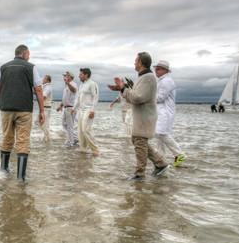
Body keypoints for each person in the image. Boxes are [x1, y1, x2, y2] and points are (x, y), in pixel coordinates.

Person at [109, 52, 169, 180]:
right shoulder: (144, 77)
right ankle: (161, 164)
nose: (134, 63)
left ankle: (139, 174)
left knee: (139, 141)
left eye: (136, 61)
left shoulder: (148, 77)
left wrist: (123, 88)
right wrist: (121, 89)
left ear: (141, 63)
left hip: (145, 116)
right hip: (142, 116)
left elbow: (138, 98)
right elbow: (135, 95)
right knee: (138, 141)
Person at [0, 44, 45, 182]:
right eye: (29, 54)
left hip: (5, 108)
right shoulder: (31, 67)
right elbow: (39, 89)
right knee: (23, 141)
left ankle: (3, 171)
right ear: (25, 53)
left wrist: (2, 102)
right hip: (24, 109)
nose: (29, 57)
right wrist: (42, 111)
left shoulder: (3, 67)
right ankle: (21, 178)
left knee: (6, 137)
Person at [154, 61, 185, 167]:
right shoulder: (162, 81)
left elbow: (160, 98)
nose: (156, 70)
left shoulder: (166, 81)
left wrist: (146, 98)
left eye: (158, 69)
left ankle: (179, 154)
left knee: (160, 133)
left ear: (165, 70)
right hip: (161, 111)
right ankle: (160, 159)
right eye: (156, 68)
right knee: (159, 135)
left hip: (165, 112)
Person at [72, 68, 99, 156]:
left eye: (81, 74)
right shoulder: (81, 85)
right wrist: (74, 108)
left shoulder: (92, 84)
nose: (79, 76)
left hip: (88, 109)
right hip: (80, 110)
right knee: (80, 130)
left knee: (85, 130)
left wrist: (92, 110)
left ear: (86, 75)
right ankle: (83, 148)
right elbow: (78, 98)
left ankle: (95, 149)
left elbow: (95, 97)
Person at [56, 71, 78, 147]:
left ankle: (70, 142)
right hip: (66, 108)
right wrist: (60, 106)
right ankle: (74, 138)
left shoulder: (73, 84)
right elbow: (64, 98)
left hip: (71, 108)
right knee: (64, 124)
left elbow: (74, 90)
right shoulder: (66, 86)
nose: (64, 77)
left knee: (69, 126)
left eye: (66, 76)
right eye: (64, 76)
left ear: (70, 77)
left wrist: (68, 83)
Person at [36, 75, 53, 142]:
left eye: (43, 79)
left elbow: (43, 97)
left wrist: (38, 97)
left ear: (47, 80)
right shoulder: (44, 86)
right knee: (38, 122)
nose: (42, 80)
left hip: (46, 108)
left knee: (43, 123)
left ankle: (48, 138)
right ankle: (46, 137)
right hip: (44, 107)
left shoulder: (48, 87)